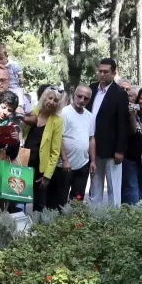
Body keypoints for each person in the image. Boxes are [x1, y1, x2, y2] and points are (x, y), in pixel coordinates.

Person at [89, 58, 129, 207]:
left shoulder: (120, 94)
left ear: (113, 73)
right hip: (93, 147)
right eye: (100, 71)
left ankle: (114, 223)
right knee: (95, 187)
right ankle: (95, 220)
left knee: (113, 188)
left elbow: (122, 124)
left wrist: (120, 150)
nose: (102, 74)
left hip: (112, 150)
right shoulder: (91, 89)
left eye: (106, 72)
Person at [21, 87, 64, 212]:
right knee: (17, 200)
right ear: (44, 98)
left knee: (39, 205)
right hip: (23, 164)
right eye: (50, 98)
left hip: (40, 169)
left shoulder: (57, 121)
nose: (51, 102)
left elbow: (55, 152)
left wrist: (47, 176)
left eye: (55, 100)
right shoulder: (32, 112)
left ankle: (37, 230)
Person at [54, 85, 93, 209]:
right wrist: (65, 160)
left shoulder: (89, 116)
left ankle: (75, 226)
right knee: (61, 199)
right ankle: (60, 226)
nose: (82, 100)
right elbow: (58, 137)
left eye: (86, 98)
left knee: (78, 199)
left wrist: (93, 161)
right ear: (74, 95)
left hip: (83, 164)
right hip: (65, 166)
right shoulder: (64, 113)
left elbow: (92, 139)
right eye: (79, 96)